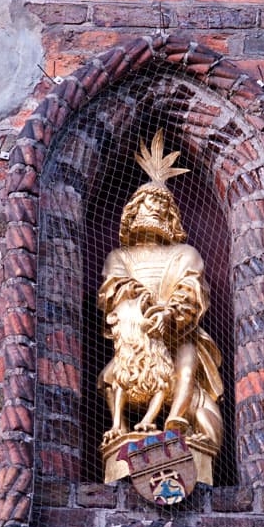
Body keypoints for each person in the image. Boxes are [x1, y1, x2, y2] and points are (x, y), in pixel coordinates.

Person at [97, 131, 223, 486]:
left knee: (185, 364)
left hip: (179, 332)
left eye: (160, 207)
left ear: (170, 217)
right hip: (135, 335)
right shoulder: (119, 257)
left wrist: (170, 315)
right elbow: (114, 288)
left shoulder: (185, 255)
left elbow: (191, 291)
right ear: (132, 213)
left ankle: (176, 422)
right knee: (109, 377)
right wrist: (143, 305)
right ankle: (120, 428)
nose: (151, 210)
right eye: (144, 205)